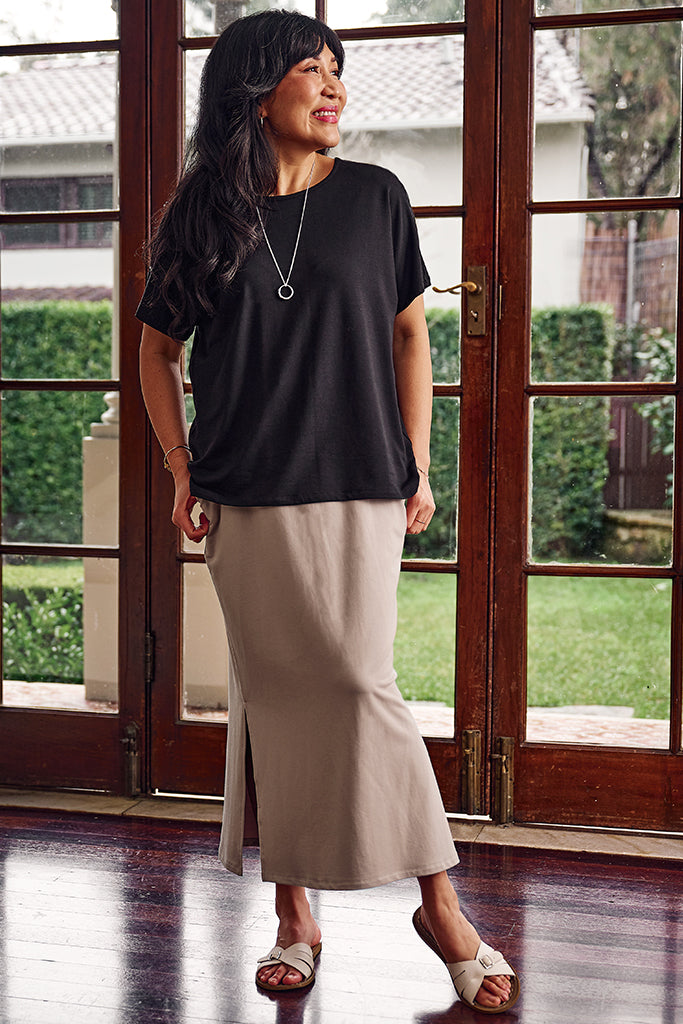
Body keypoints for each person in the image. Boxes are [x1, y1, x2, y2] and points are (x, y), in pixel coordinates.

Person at [137, 10, 519, 1014]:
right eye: (310, 68)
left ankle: (438, 904)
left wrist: (418, 461)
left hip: (360, 479)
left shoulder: (375, 197)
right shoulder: (201, 214)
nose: (333, 84)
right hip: (242, 487)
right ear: (254, 90)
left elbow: (408, 336)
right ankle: (295, 918)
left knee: (358, 682)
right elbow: (155, 350)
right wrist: (179, 467)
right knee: (273, 695)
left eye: (336, 68)